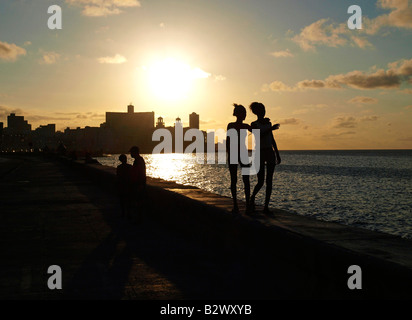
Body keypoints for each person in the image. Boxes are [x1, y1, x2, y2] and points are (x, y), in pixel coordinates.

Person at [226, 103, 280, 215]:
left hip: (243, 154)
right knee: (234, 180)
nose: (244, 115)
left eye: (245, 113)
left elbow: (258, 132)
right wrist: (229, 153)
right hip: (234, 154)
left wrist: (266, 122)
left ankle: (247, 206)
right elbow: (228, 141)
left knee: (246, 180)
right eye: (243, 113)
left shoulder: (246, 126)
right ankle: (236, 205)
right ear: (237, 114)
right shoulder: (231, 125)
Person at [248, 102, 281, 215]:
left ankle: (266, 207)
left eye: (264, 109)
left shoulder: (268, 123)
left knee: (269, 181)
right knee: (261, 181)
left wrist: (277, 153)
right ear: (256, 112)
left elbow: (272, 139)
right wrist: (270, 128)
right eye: (262, 109)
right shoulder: (254, 124)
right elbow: (258, 135)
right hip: (259, 153)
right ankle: (252, 199)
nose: (264, 111)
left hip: (269, 152)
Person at [130, 146, 147, 222]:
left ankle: (139, 218)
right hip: (139, 184)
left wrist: (140, 184)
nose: (130, 154)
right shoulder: (139, 160)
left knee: (138, 202)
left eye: (131, 152)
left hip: (139, 184)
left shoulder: (138, 161)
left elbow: (140, 173)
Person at [116, 154, 133, 218]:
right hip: (128, 186)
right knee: (129, 201)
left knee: (122, 201)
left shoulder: (119, 167)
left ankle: (123, 213)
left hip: (122, 186)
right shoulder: (130, 167)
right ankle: (128, 213)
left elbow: (118, 177)